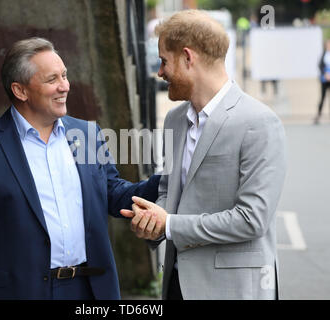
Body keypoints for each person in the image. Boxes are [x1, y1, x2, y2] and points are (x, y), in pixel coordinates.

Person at [0, 37, 160, 300]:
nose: (64, 86)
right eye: (52, 79)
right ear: (20, 91)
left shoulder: (88, 134)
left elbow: (113, 192)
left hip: (89, 290)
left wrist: (167, 179)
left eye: (64, 75)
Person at [121, 10, 286, 300]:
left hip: (233, 290)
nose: (159, 73)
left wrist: (169, 224)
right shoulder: (173, 119)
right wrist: (153, 222)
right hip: (176, 283)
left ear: (188, 57)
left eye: (164, 61)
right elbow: (167, 192)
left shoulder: (259, 122)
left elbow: (252, 219)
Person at [315, 39, 330, 125]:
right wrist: (325, 74)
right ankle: (318, 115)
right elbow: (320, 65)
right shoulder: (323, 54)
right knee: (322, 97)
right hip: (325, 79)